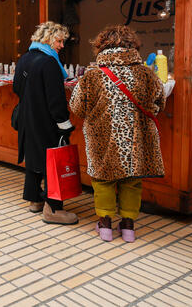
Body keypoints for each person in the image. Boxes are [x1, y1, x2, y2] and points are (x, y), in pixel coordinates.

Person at [70, 25, 165, 242]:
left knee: (103, 181)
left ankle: (105, 226)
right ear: (132, 46)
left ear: (101, 46)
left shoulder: (92, 76)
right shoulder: (146, 74)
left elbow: (77, 108)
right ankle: (129, 227)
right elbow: (159, 102)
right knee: (132, 181)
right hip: (137, 140)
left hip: (102, 139)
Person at [13, 21, 77, 225]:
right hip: (46, 121)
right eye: (59, 41)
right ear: (48, 39)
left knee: (34, 157)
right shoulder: (49, 62)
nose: (61, 45)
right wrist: (64, 124)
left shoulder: (25, 58)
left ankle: (35, 200)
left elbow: (16, 88)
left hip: (27, 118)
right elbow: (56, 100)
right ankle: (53, 209)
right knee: (52, 162)